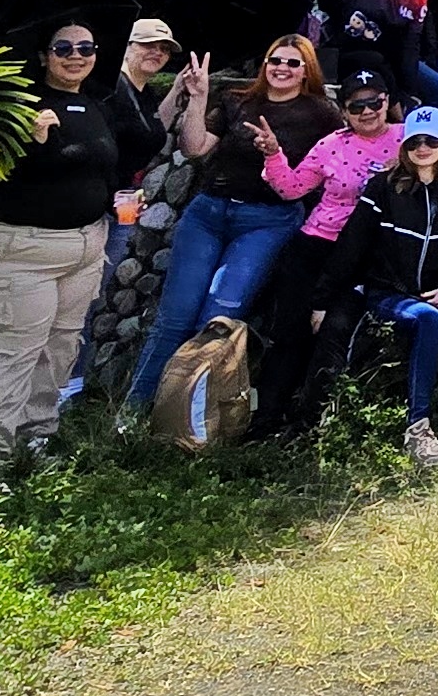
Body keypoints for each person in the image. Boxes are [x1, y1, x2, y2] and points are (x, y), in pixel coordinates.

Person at [275, 104, 438, 464]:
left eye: (430, 140)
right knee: (428, 319)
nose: (422, 148)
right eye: (414, 141)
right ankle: (418, 429)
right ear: (403, 146)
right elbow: (351, 245)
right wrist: (322, 300)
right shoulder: (383, 188)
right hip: (389, 291)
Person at [0, 20, 149, 469]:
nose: (75, 54)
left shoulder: (94, 104)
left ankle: (33, 440)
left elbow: (108, 164)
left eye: (87, 46)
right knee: (8, 355)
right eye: (63, 46)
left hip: (82, 249)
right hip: (19, 251)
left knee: (57, 351)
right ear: (44, 55)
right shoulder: (12, 105)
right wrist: (26, 141)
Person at [122, 36, 337, 416]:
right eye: (275, 60)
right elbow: (194, 147)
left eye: (293, 62)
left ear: (307, 71)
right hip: (209, 212)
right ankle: (134, 413)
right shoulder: (238, 100)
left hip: (267, 220)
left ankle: (187, 419)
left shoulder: (321, 113)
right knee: (174, 319)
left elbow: (345, 154)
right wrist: (200, 97)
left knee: (216, 319)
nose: (282, 68)